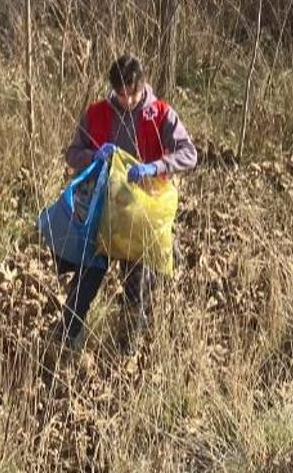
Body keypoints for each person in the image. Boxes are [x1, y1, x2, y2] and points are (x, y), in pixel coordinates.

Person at [59, 54, 198, 352]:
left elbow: (189, 153)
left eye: (132, 93)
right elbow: (72, 153)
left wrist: (157, 166)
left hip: (142, 212)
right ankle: (68, 333)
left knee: (137, 281)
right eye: (120, 95)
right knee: (88, 274)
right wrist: (92, 156)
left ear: (142, 84)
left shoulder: (160, 114)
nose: (127, 101)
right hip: (102, 210)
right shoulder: (97, 114)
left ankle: (129, 344)